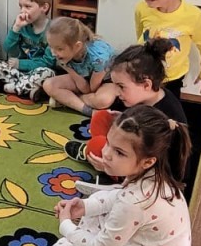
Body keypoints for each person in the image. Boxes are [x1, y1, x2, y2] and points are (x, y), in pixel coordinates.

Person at [34, 106, 191, 246]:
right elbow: (118, 195)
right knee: (100, 200)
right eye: (108, 143)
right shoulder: (156, 175)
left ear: (147, 161)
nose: (106, 154)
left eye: (119, 152)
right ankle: (84, 235)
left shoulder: (135, 201)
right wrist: (85, 206)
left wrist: (66, 225)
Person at [63, 38, 188, 168]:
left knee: (97, 148)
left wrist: (110, 166)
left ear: (146, 85)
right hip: (135, 149)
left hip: (151, 169)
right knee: (103, 118)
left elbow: (155, 163)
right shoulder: (142, 97)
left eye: (121, 86)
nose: (116, 92)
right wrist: (122, 118)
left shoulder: (165, 116)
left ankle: (104, 163)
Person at [0, 0, 56, 98]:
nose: (22, 11)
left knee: (47, 73)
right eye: (20, 6)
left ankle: (6, 87)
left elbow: (48, 63)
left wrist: (21, 64)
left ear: (44, 8)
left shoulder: (52, 31)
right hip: (19, 71)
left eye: (27, 6)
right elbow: (9, 49)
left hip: (37, 70)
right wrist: (16, 28)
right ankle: (25, 88)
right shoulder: (21, 24)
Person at [40, 17, 117, 114]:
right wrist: (68, 68)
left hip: (106, 81)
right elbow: (82, 85)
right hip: (84, 78)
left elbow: (90, 89)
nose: (53, 53)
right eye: (51, 47)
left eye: (59, 49)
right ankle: (89, 111)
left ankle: (68, 100)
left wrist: (67, 96)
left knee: (103, 100)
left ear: (77, 46)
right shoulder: (61, 54)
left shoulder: (98, 58)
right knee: (49, 85)